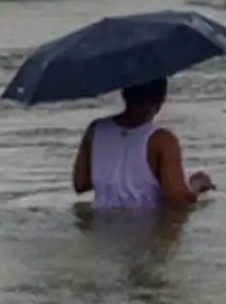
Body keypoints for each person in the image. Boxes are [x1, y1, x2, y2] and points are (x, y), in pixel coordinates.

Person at [72, 77, 214, 209]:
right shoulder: (162, 140)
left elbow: (80, 184)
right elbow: (180, 202)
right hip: (145, 229)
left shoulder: (96, 129)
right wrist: (197, 184)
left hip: (101, 227)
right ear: (161, 100)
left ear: (124, 94)